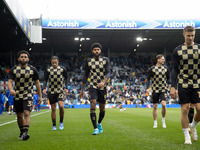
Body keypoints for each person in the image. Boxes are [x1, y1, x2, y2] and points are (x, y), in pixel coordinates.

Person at [170, 25, 200, 144]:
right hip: (183, 83)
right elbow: (174, 70)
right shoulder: (177, 50)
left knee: (199, 109)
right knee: (184, 110)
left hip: (197, 83)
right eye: (188, 36)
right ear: (184, 35)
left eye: (192, 35)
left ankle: (192, 126)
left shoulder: (199, 48)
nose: (190, 38)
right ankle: (187, 137)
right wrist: (173, 86)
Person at [7, 50, 42, 140]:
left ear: (28, 59)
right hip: (17, 94)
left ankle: (25, 133)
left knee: (26, 113)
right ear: (19, 58)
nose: (23, 58)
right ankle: (22, 132)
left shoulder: (33, 69)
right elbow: (10, 81)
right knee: (19, 115)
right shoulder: (14, 69)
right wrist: (11, 90)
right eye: (22, 57)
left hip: (28, 94)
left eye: (25, 57)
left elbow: (37, 83)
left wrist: (40, 96)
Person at [80, 42, 110, 135]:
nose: (96, 51)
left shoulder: (105, 60)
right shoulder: (88, 61)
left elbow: (108, 73)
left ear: (100, 51)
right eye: (95, 50)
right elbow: (85, 75)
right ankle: (95, 128)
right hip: (92, 85)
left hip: (102, 87)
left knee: (102, 109)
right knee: (92, 103)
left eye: (98, 49)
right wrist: (82, 89)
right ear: (92, 51)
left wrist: (103, 82)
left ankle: (99, 123)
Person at [43, 56, 68, 131]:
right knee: (53, 109)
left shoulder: (63, 69)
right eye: (53, 63)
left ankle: (61, 123)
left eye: (55, 62)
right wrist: (44, 88)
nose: (54, 64)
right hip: (51, 91)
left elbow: (66, 78)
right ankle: (54, 125)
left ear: (58, 62)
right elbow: (45, 80)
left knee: (61, 106)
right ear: (51, 62)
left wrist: (66, 88)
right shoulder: (48, 70)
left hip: (60, 90)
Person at [147, 54, 170, 129]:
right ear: (158, 60)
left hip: (163, 89)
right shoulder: (152, 69)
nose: (164, 60)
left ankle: (163, 120)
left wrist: (170, 85)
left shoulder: (166, 68)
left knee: (163, 104)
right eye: (162, 59)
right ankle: (155, 122)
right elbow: (148, 78)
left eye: (164, 59)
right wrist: (148, 87)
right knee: (155, 106)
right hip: (155, 89)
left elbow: (168, 78)